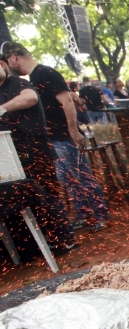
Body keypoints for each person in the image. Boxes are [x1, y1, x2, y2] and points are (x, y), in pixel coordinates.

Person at [3, 43, 109, 231]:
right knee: (70, 180)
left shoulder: (45, 73)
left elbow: (67, 102)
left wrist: (73, 131)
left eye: (6, 60)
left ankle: (99, 216)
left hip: (64, 137)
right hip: (54, 139)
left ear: (14, 58)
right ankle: (86, 216)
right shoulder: (35, 77)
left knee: (81, 178)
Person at [0, 59, 75, 254]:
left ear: (2, 64)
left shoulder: (18, 83)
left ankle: (64, 239)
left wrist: (3, 108)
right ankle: (39, 243)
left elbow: (30, 98)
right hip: (12, 156)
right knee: (31, 199)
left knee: (48, 193)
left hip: (36, 149)